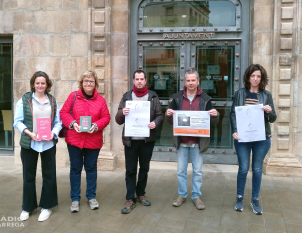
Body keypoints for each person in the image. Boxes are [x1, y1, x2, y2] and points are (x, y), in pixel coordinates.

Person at [166, 68, 219, 210]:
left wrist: (215, 115)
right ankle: (182, 195)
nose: (190, 83)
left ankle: (196, 195)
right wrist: (168, 114)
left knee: (198, 171)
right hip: (182, 142)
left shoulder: (205, 98)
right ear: (185, 82)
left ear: (198, 81)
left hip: (198, 143)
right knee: (180, 171)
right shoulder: (177, 97)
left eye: (193, 80)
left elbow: (212, 123)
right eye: (188, 80)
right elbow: (171, 121)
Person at [13, 71, 62, 222]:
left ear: (47, 85)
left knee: (49, 175)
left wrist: (53, 133)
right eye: (37, 83)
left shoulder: (52, 101)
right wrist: (29, 133)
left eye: (43, 83)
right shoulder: (25, 100)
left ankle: (46, 206)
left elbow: (58, 123)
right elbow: (17, 121)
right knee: (28, 176)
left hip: (48, 144)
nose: (40, 85)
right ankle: (27, 207)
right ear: (33, 84)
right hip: (30, 143)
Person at [60, 71, 110, 213]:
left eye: (91, 81)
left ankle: (91, 197)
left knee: (91, 168)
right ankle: (75, 199)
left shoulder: (100, 100)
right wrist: (73, 123)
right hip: (75, 139)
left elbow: (106, 117)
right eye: (86, 81)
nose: (88, 83)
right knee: (75, 169)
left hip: (93, 140)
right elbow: (64, 113)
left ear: (96, 84)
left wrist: (96, 126)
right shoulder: (73, 96)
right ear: (81, 83)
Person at [230, 64, 276, 215]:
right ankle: (239, 197)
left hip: (262, 138)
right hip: (242, 137)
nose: (255, 79)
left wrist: (269, 112)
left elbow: (273, 118)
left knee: (257, 169)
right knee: (243, 168)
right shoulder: (240, 93)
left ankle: (255, 199)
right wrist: (235, 131)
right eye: (253, 76)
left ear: (261, 78)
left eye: (258, 76)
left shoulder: (266, 95)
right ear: (248, 77)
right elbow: (233, 114)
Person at [115, 70, 163, 214]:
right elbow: (118, 119)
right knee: (130, 170)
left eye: (142, 79)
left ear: (146, 80)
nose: (140, 81)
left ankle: (141, 193)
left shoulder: (153, 96)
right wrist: (122, 113)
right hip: (131, 140)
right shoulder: (127, 96)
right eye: (137, 79)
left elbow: (160, 116)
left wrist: (155, 123)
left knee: (144, 168)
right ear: (133, 81)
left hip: (147, 140)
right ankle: (130, 198)